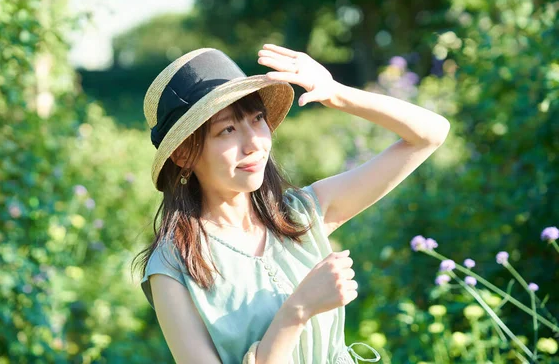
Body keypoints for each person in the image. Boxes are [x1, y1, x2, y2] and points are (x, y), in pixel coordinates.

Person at [135, 44, 450, 363]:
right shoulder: (173, 267)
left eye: (258, 119)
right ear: (184, 154)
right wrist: (297, 312)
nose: (254, 143)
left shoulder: (302, 213)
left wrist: (337, 94)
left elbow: (430, 135)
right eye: (227, 129)